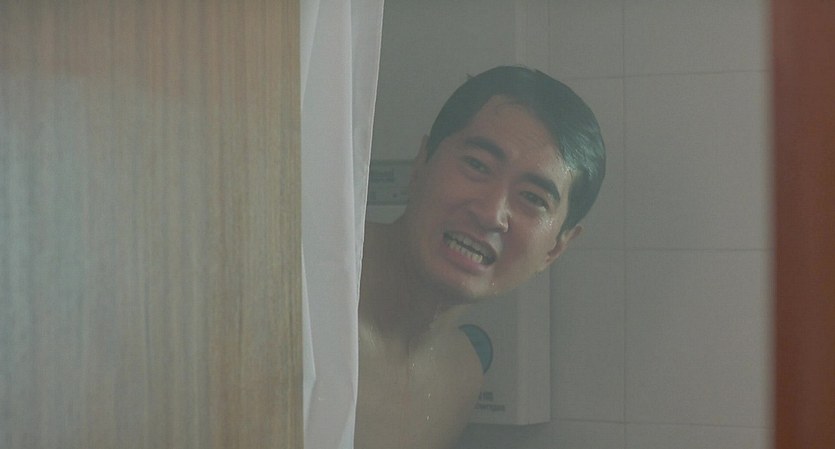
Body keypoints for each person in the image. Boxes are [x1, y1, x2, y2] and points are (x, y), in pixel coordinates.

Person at [355, 66, 606, 449]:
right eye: (477, 165)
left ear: (555, 249)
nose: (491, 213)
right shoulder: (303, 285)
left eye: (533, 198)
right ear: (421, 163)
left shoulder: (459, 376)